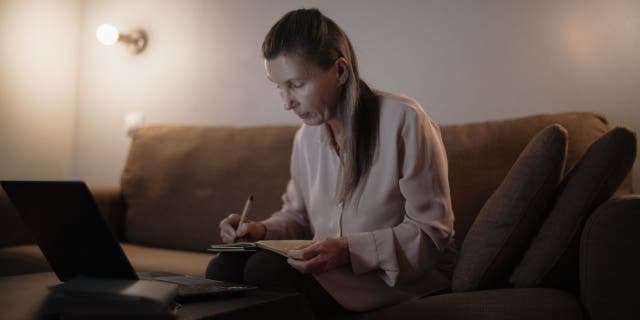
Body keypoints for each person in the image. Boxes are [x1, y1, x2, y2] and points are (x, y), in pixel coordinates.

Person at [206, 8, 456, 317]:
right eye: (278, 87)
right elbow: (298, 216)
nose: (286, 103)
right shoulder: (305, 138)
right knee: (225, 264)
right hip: (331, 273)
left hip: (395, 282)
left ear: (340, 71)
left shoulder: (404, 121)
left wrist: (348, 249)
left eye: (296, 85)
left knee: (265, 271)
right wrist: (260, 230)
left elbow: (432, 232)